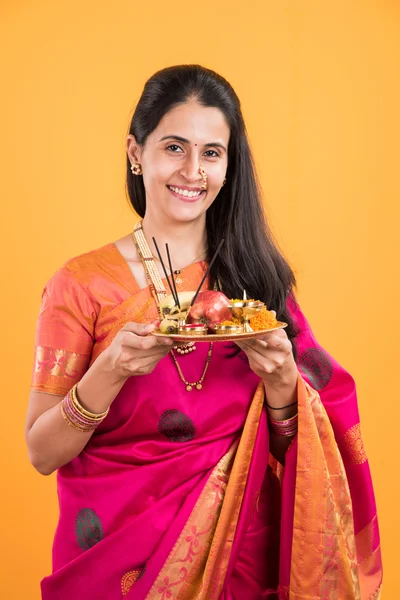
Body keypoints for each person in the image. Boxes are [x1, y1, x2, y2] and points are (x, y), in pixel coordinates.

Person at [25, 64, 382, 600]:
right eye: (174, 147)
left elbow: (299, 453)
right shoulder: (81, 285)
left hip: (240, 556)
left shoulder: (257, 284)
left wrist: (285, 385)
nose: (193, 171)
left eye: (211, 153)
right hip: (111, 559)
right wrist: (111, 370)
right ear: (134, 152)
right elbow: (42, 453)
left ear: (228, 165)